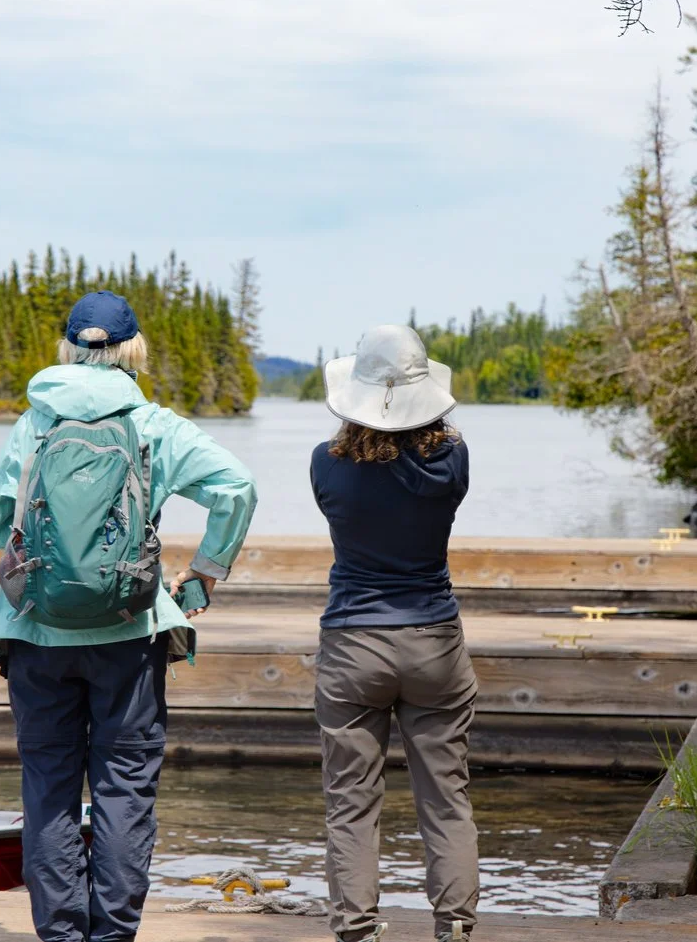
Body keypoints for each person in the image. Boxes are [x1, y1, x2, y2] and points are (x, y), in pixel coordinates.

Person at [0, 290, 257, 942]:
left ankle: (61, 933)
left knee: (48, 786)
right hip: (131, 630)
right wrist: (208, 568)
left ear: (68, 347)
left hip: (35, 629)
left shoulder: (34, 422)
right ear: (133, 348)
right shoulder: (154, 423)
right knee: (124, 790)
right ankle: (112, 935)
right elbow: (238, 486)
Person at [310, 325, 478, 942]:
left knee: (351, 801)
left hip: (354, 642)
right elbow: (441, 441)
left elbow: (351, 472)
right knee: (446, 795)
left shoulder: (326, 467)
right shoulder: (452, 462)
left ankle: (357, 929)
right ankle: (455, 926)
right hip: (434, 641)